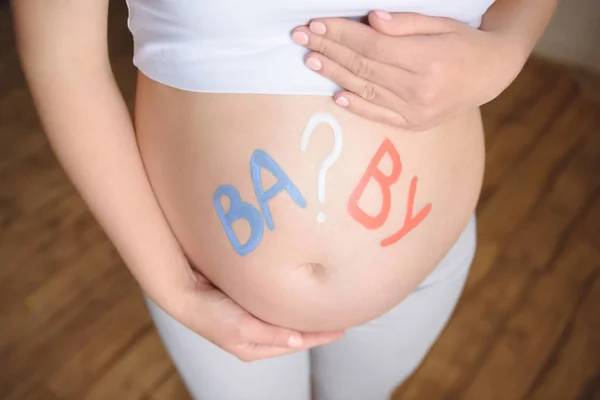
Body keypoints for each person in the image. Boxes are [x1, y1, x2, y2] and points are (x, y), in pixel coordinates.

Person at [12, 0, 556, 398]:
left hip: (423, 276)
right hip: (206, 286)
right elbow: (63, 59)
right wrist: (173, 287)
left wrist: (507, 49)